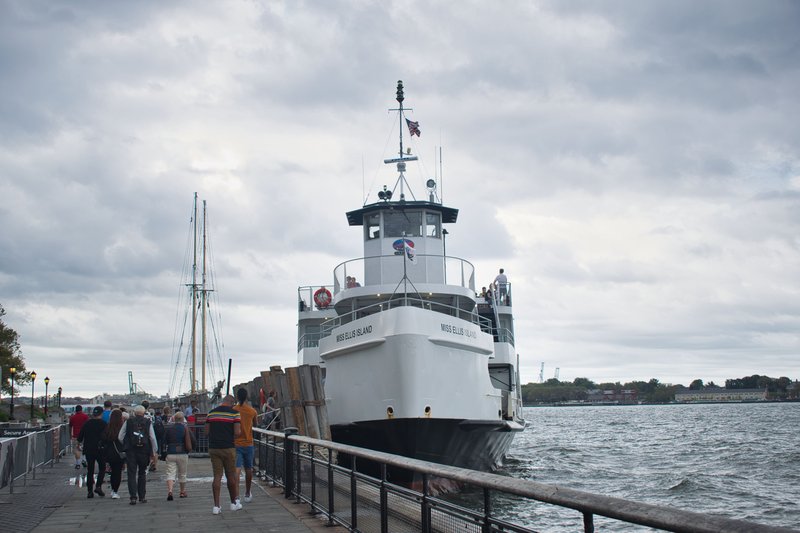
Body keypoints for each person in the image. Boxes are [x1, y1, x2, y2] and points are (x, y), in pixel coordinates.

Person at [206, 394, 241, 515]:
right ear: (232, 402)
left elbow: (206, 432)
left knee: (217, 476)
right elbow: (237, 432)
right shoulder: (234, 413)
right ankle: (233, 503)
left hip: (214, 448)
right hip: (228, 447)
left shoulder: (211, 413)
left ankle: (216, 506)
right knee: (230, 476)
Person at [118, 405, 158, 505]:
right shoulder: (148, 422)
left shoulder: (128, 422)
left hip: (131, 451)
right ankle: (142, 496)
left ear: (134, 413)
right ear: (144, 413)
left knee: (131, 473)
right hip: (144, 450)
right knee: (142, 473)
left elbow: (120, 436)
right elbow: (152, 437)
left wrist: (125, 443)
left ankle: (133, 497)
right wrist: (154, 450)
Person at [233, 388, 258, 504]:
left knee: (237, 469)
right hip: (249, 443)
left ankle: (236, 495)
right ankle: (247, 492)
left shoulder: (233, 410)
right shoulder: (252, 411)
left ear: (237, 397)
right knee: (249, 469)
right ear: (247, 397)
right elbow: (256, 425)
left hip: (236, 443)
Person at [163, 411, 195, 501]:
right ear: (182, 419)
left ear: (174, 419)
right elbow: (193, 440)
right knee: (182, 474)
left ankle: (170, 490)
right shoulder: (185, 428)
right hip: (183, 453)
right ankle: (182, 491)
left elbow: (163, 441)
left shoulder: (169, 429)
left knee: (170, 473)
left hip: (171, 453)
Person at [77, 406, 107, 498]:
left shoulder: (87, 423)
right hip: (100, 449)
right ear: (101, 414)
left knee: (90, 470)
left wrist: (78, 444)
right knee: (102, 468)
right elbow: (106, 437)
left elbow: (80, 437)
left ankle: (90, 491)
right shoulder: (104, 424)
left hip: (89, 449)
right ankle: (98, 486)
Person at [101, 409, 126, 499]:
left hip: (110, 452)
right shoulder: (122, 427)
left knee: (113, 472)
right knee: (118, 472)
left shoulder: (108, 427)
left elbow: (103, 439)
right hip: (120, 452)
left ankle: (112, 489)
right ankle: (115, 491)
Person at [69, 405, 89, 470]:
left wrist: (70, 435)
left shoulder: (73, 417)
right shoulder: (85, 417)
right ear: (81, 409)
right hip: (85, 435)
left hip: (75, 435)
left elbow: (70, 426)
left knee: (76, 449)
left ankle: (78, 464)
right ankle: (84, 460)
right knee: (84, 449)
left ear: (75, 410)